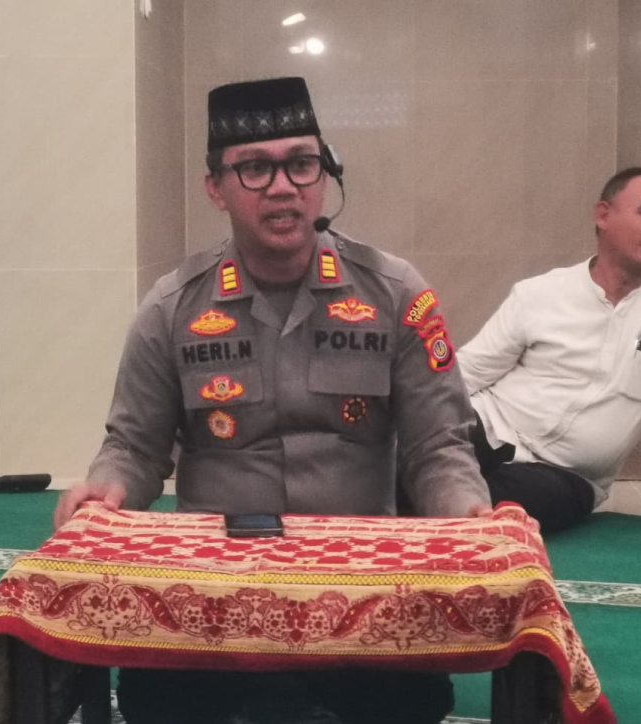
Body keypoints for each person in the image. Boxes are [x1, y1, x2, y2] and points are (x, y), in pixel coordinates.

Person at [54, 77, 491, 724]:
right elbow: (135, 448)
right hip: (215, 594)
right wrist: (105, 491)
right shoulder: (171, 309)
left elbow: (437, 447)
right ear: (216, 187)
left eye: (301, 163)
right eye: (255, 168)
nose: (283, 187)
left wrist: (469, 517)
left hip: (359, 592)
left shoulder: (396, 294)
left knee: (414, 699)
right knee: (152, 698)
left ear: (325, 172)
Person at [459, 166, 641, 534]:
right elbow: (468, 372)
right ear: (603, 215)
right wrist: (411, 426)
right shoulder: (540, 293)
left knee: (492, 507)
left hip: (566, 475)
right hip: (489, 426)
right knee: (416, 465)